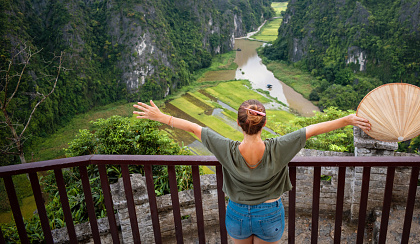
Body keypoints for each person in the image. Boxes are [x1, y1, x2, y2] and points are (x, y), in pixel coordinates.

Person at [133, 99, 370, 244]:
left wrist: (162, 117)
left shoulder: (226, 149)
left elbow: (195, 128)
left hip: (236, 213)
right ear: (263, 124)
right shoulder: (279, 147)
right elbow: (311, 130)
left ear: (239, 123)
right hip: (270, 214)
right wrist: (348, 119)